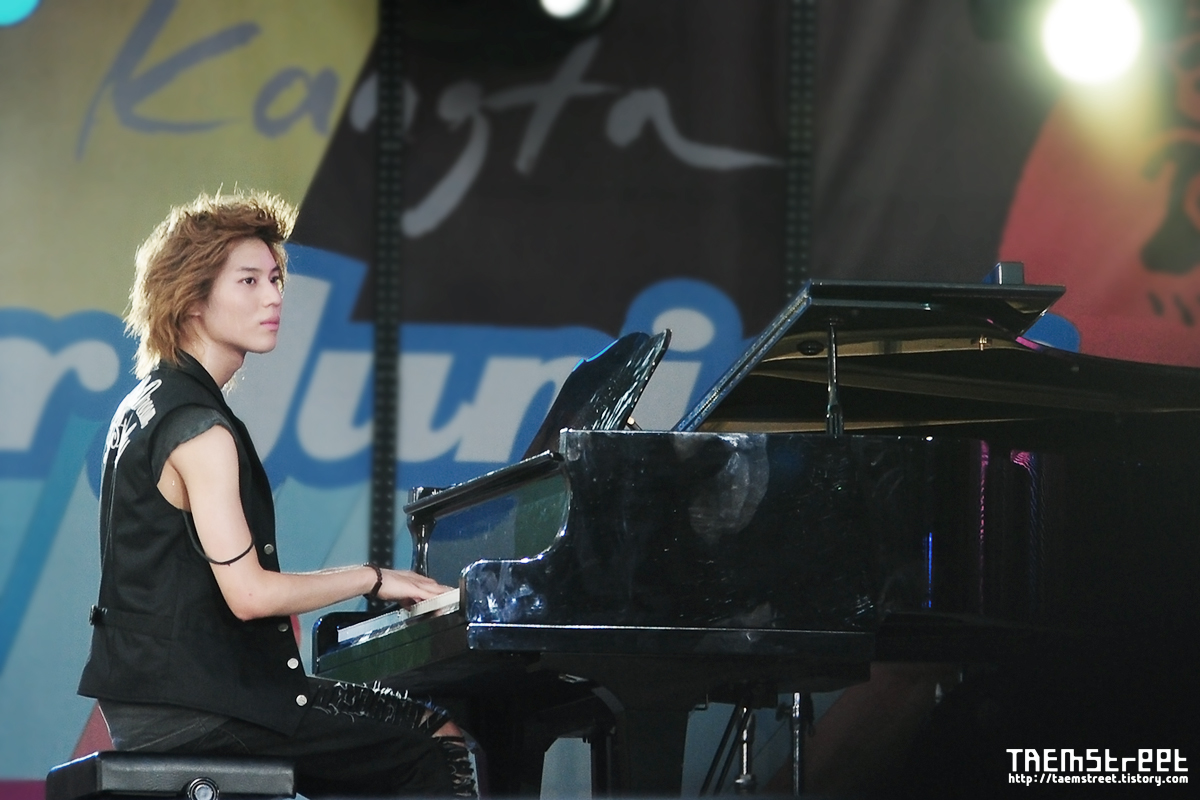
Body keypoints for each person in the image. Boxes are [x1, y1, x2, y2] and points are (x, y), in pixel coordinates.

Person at [78, 190, 476, 797]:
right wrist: (372, 578)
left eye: (275, 279)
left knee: (405, 736)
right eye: (249, 281)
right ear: (192, 299)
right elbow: (250, 596)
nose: (273, 297)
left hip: (167, 698)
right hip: (201, 708)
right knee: (432, 743)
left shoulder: (147, 405)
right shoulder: (200, 431)